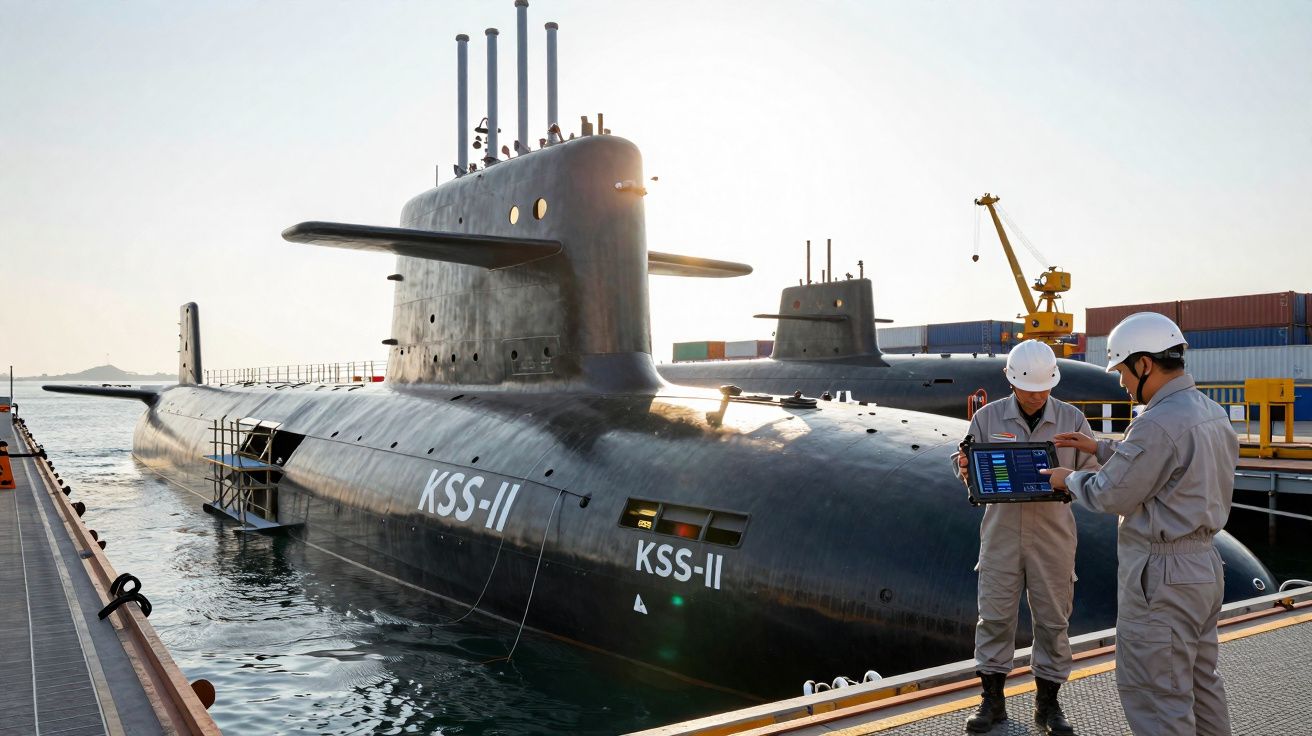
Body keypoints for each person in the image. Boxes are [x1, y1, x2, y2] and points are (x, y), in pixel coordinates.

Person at [1043, 312, 1235, 736]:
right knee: (1201, 687)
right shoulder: (1211, 413)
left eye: (1123, 372)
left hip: (1162, 576)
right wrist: (1101, 447)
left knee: (1156, 697)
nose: (1122, 383)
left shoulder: (1156, 421)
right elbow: (1164, 467)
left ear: (1144, 364)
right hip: (1203, 566)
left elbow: (1113, 494)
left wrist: (1069, 479)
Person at [951, 340, 1099, 735]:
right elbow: (966, 465)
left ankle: (1048, 704)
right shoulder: (987, 417)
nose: (1036, 396)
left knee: (1053, 619)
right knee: (995, 616)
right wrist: (965, 467)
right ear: (1010, 381)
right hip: (1001, 532)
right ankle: (992, 701)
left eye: (1043, 388)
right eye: (1028, 388)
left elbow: (1096, 471)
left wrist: (1073, 481)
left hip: (1053, 534)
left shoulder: (1072, 420)